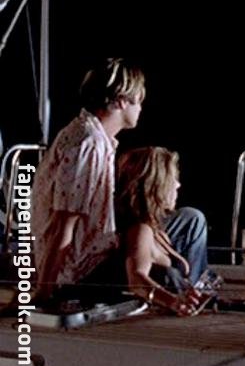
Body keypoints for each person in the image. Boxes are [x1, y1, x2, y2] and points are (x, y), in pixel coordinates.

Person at [33, 58, 145, 303]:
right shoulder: (89, 144)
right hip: (82, 269)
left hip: (86, 259)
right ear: (121, 100)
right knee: (189, 225)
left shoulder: (90, 136)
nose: (140, 108)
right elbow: (64, 224)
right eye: (138, 101)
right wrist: (44, 291)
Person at [116, 147, 209, 316]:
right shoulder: (141, 230)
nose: (178, 185)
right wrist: (173, 302)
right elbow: (136, 279)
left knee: (193, 217)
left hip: (177, 313)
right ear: (158, 185)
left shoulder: (155, 229)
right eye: (173, 179)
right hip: (161, 316)